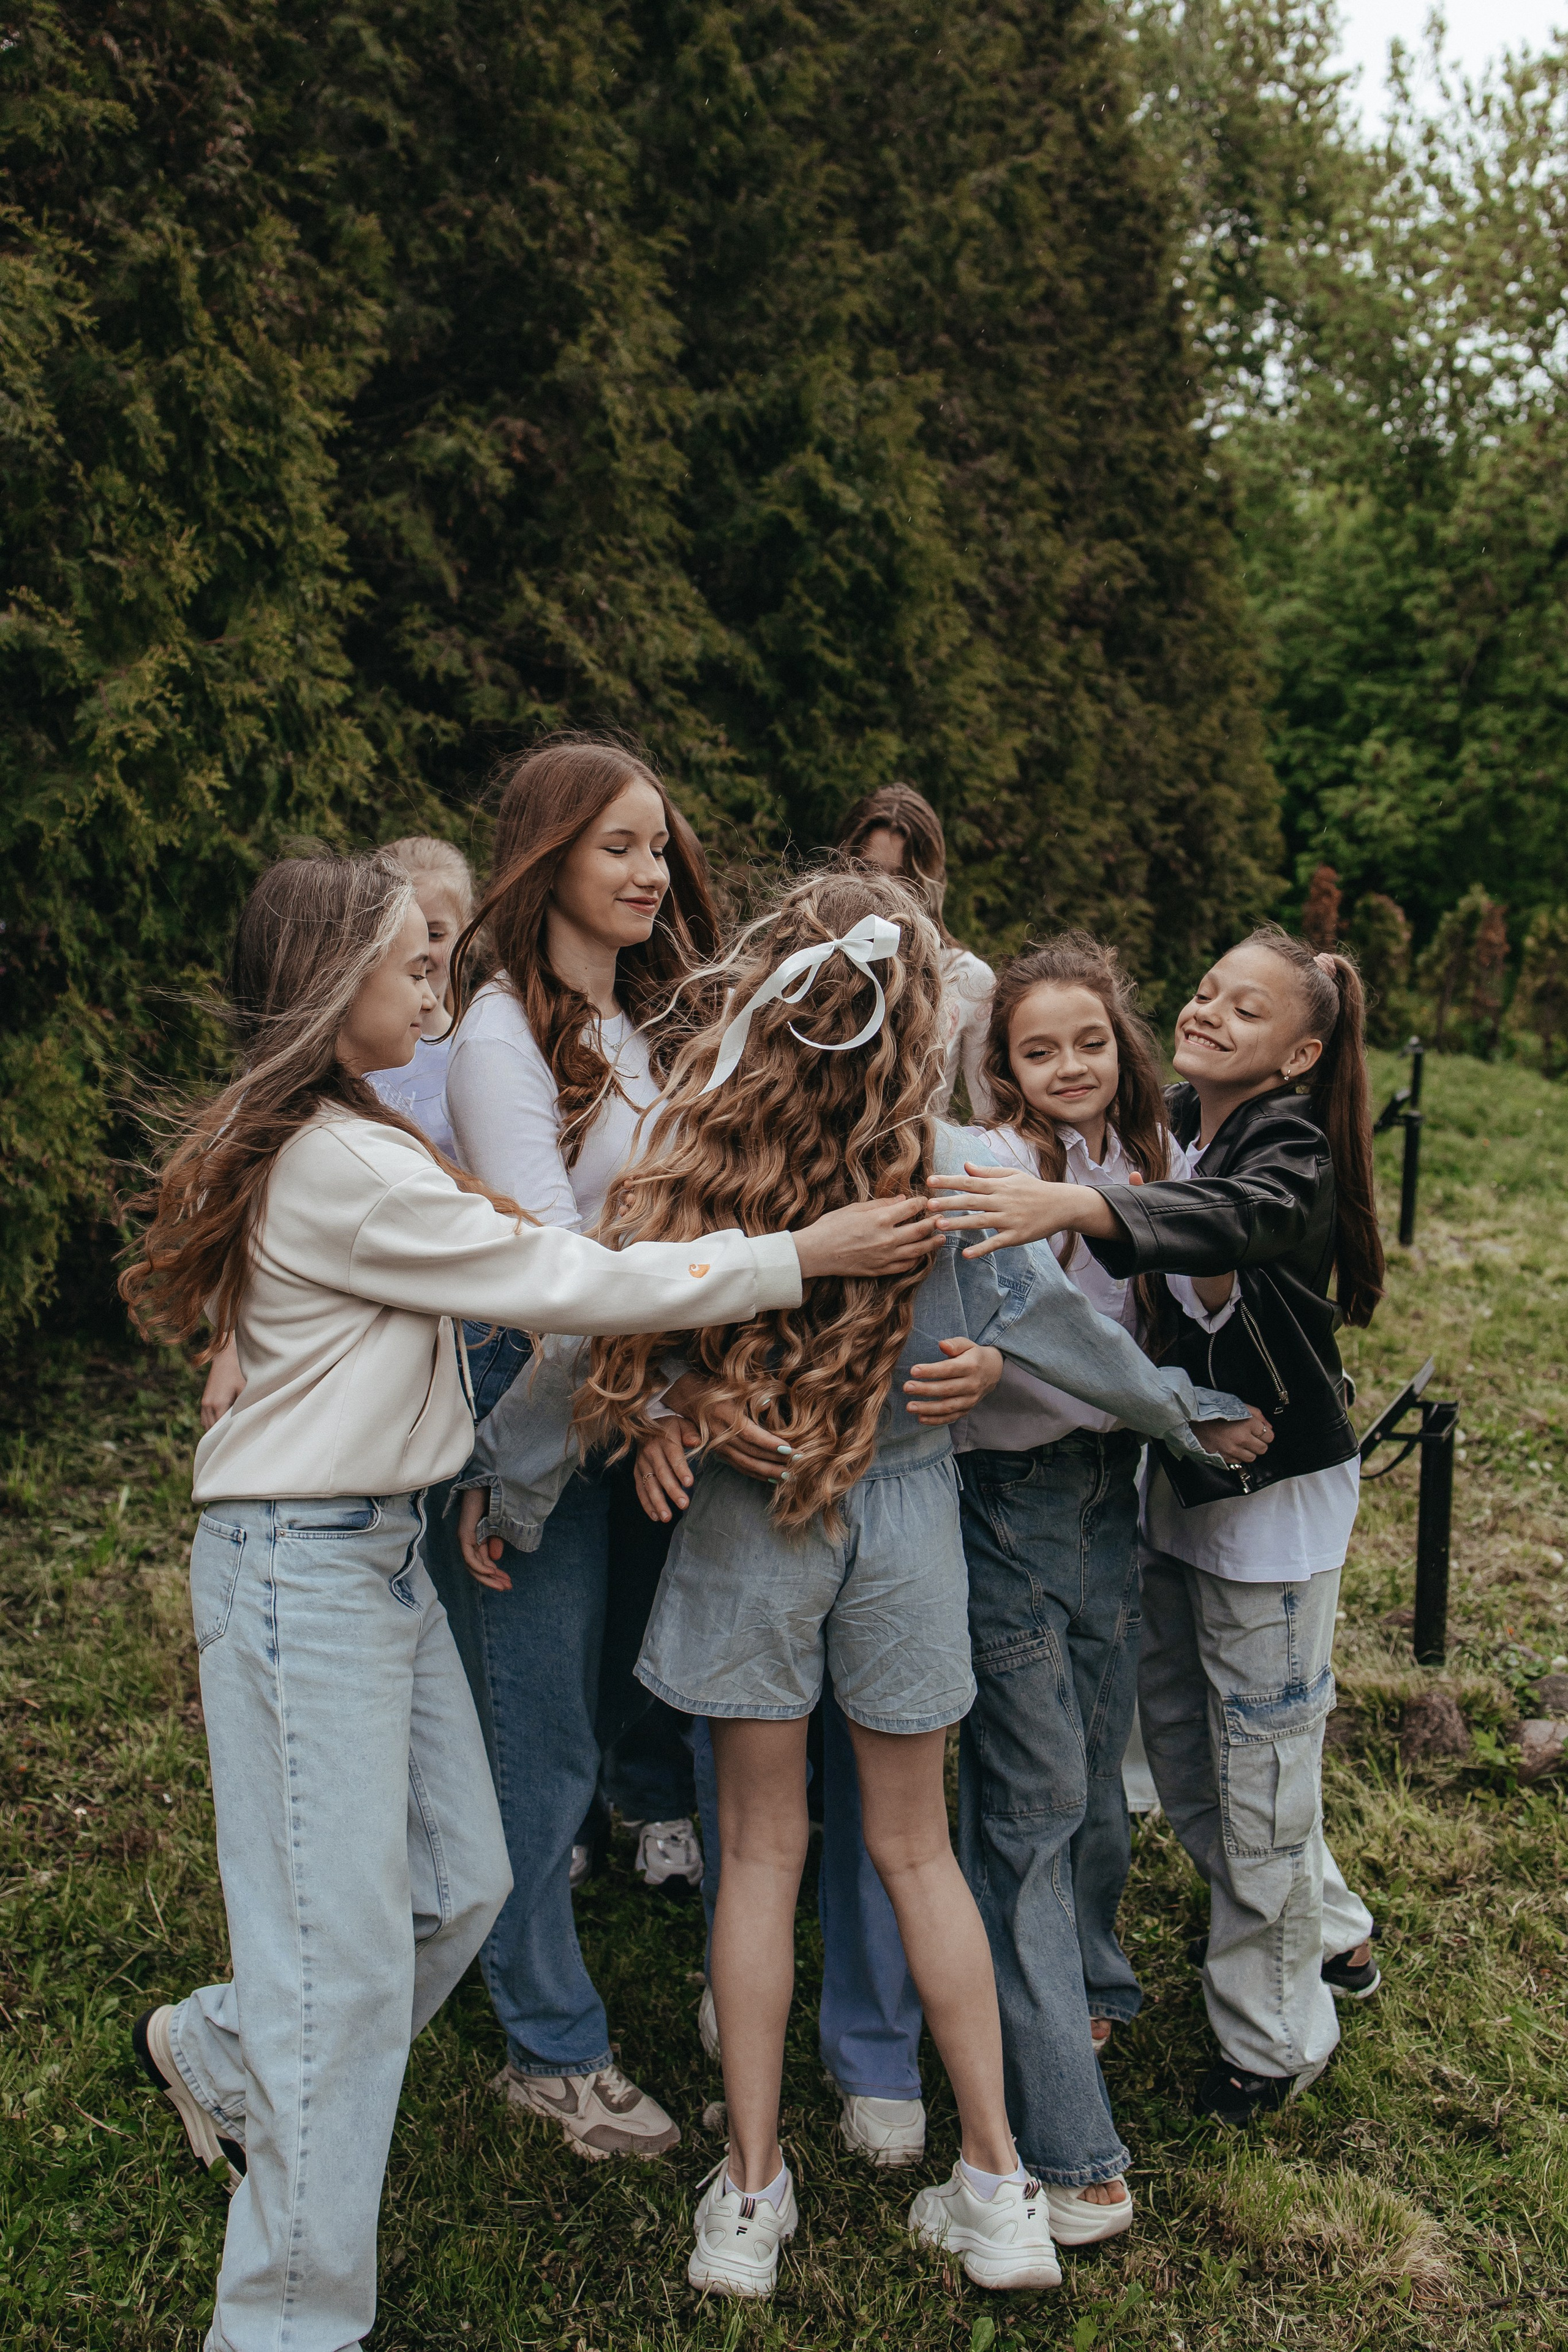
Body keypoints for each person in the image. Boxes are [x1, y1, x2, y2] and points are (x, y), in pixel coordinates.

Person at [120, 848, 936, 2352]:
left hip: (375, 1553)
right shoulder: (343, 1160)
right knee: (346, 1972)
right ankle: (285, 2321)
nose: (435, 977)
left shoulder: (354, 1130)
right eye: (405, 959)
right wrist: (790, 1256)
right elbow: (563, 1280)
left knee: (463, 1881)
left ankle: (228, 2048)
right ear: (327, 986)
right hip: (304, 1573)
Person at [581, 865, 1268, 2297]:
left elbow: (603, 1314)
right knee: (916, 1851)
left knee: (759, 1855)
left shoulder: (707, 1150)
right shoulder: (962, 1159)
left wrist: (609, 1435)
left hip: (748, 1518)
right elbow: (1069, 1338)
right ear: (915, 1022)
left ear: (770, 998)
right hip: (903, 1520)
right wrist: (1179, 1411)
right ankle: (1000, 2183)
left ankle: (750, 2194)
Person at [929, 927, 1382, 2127]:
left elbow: (1226, 1220)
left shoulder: (1283, 1146)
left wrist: (1069, 1204)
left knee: (1257, 1774)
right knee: (1195, 1763)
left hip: (1266, 1515)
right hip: (1173, 1498)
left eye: (1248, 1011)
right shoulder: (1170, 1117)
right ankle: (1332, 1930)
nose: (1211, 1015)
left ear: (1295, 1055)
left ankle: (1272, 2038)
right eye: (1202, 993)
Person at [441, 737, 726, 2160]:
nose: (647, 870)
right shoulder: (499, 1028)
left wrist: (666, 1401)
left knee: (619, 1700)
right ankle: (549, 2052)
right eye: (617, 844)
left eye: (657, 847)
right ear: (546, 853)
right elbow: (555, 1266)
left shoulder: (632, 1025)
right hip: (534, 1401)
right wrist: (624, 1412)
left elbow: (658, 1235)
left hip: (621, 1385)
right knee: (537, 1745)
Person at [949, 933, 1201, 2239]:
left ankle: (1090, 1981)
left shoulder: (1137, 1166)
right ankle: (1066, 2148)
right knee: (1031, 1811)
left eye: (1086, 1044)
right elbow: (1036, 1334)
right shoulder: (994, 1169)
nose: (1064, 1067)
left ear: (1121, 1049)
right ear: (999, 1066)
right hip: (1010, 1505)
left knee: (1095, 1775)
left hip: (1112, 1500)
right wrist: (1178, 1410)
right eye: (1035, 1049)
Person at [197, 834, 475, 1430]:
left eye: (437, 933)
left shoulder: (477, 1055)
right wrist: (229, 1345)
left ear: (468, 930)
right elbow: (238, 1210)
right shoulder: (303, 1103)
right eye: (410, 946)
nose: (426, 959)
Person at [836, 785, 995, 1115]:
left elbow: (991, 1118)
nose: (885, 892)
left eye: (903, 878)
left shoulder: (967, 977)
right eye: (868, 871)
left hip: (921, 1161)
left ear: (927, 881)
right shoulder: (816, 960)